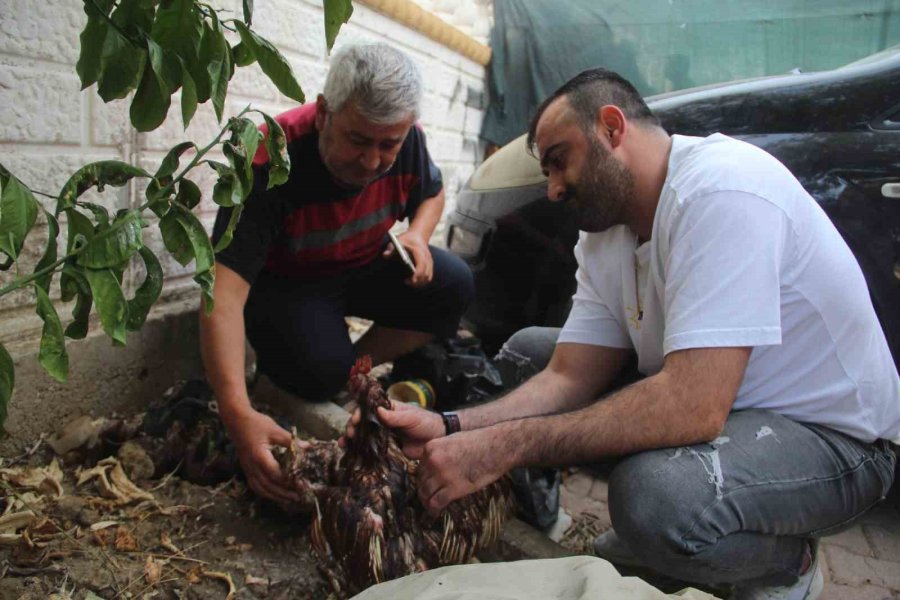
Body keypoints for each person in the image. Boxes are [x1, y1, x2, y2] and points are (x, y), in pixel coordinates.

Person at [344, 68, 900, 599]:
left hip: (837, 442)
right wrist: (450, 427)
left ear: (612, 128)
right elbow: (567, 376)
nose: (554, 190)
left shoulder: (724, 190)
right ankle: (605, 526)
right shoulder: (606, 234)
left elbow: (692, 406)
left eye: (560, 162)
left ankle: (787, 563)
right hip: (730, 407)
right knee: (531, 355)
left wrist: (500, 446)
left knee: (653, 501)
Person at [200, 44, 474, 505]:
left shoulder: (409, 141)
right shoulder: (271, 157)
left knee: (455, 284)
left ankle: (352, 375)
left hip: (363, 262)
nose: (372, 162)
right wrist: (235, 411)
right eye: (358, 141)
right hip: (290, 283)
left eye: (388, 145)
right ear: (324, 112)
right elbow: (221, 294)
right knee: (314, 374)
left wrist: (419, 237)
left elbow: (433, 193)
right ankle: (330, 371)